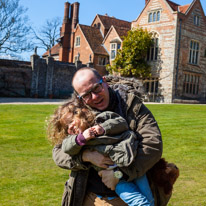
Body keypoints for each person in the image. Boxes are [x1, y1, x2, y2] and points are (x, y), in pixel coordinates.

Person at [52, 67, 165, 206]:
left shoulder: (130, 105)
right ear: (79, 97)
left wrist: (119, 174)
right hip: (86, 197)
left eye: (97, 88)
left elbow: (152, 145)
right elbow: (59, 152)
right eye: (86, 95)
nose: (95, 97)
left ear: (104, 82)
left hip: (126, 197)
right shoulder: (77, 114)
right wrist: (86, 156)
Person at [47, 98, 154, 206]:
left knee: (149, 199)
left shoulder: (101, 119)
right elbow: (65, 148)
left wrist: (103, 128)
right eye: (67, 128)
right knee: (139, 202)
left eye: (71, 121)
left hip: (131, 164)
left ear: (80, 114)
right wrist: (81, 140)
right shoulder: (76, 141)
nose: (70, 127)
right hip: (112, 176)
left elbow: (121, 123)